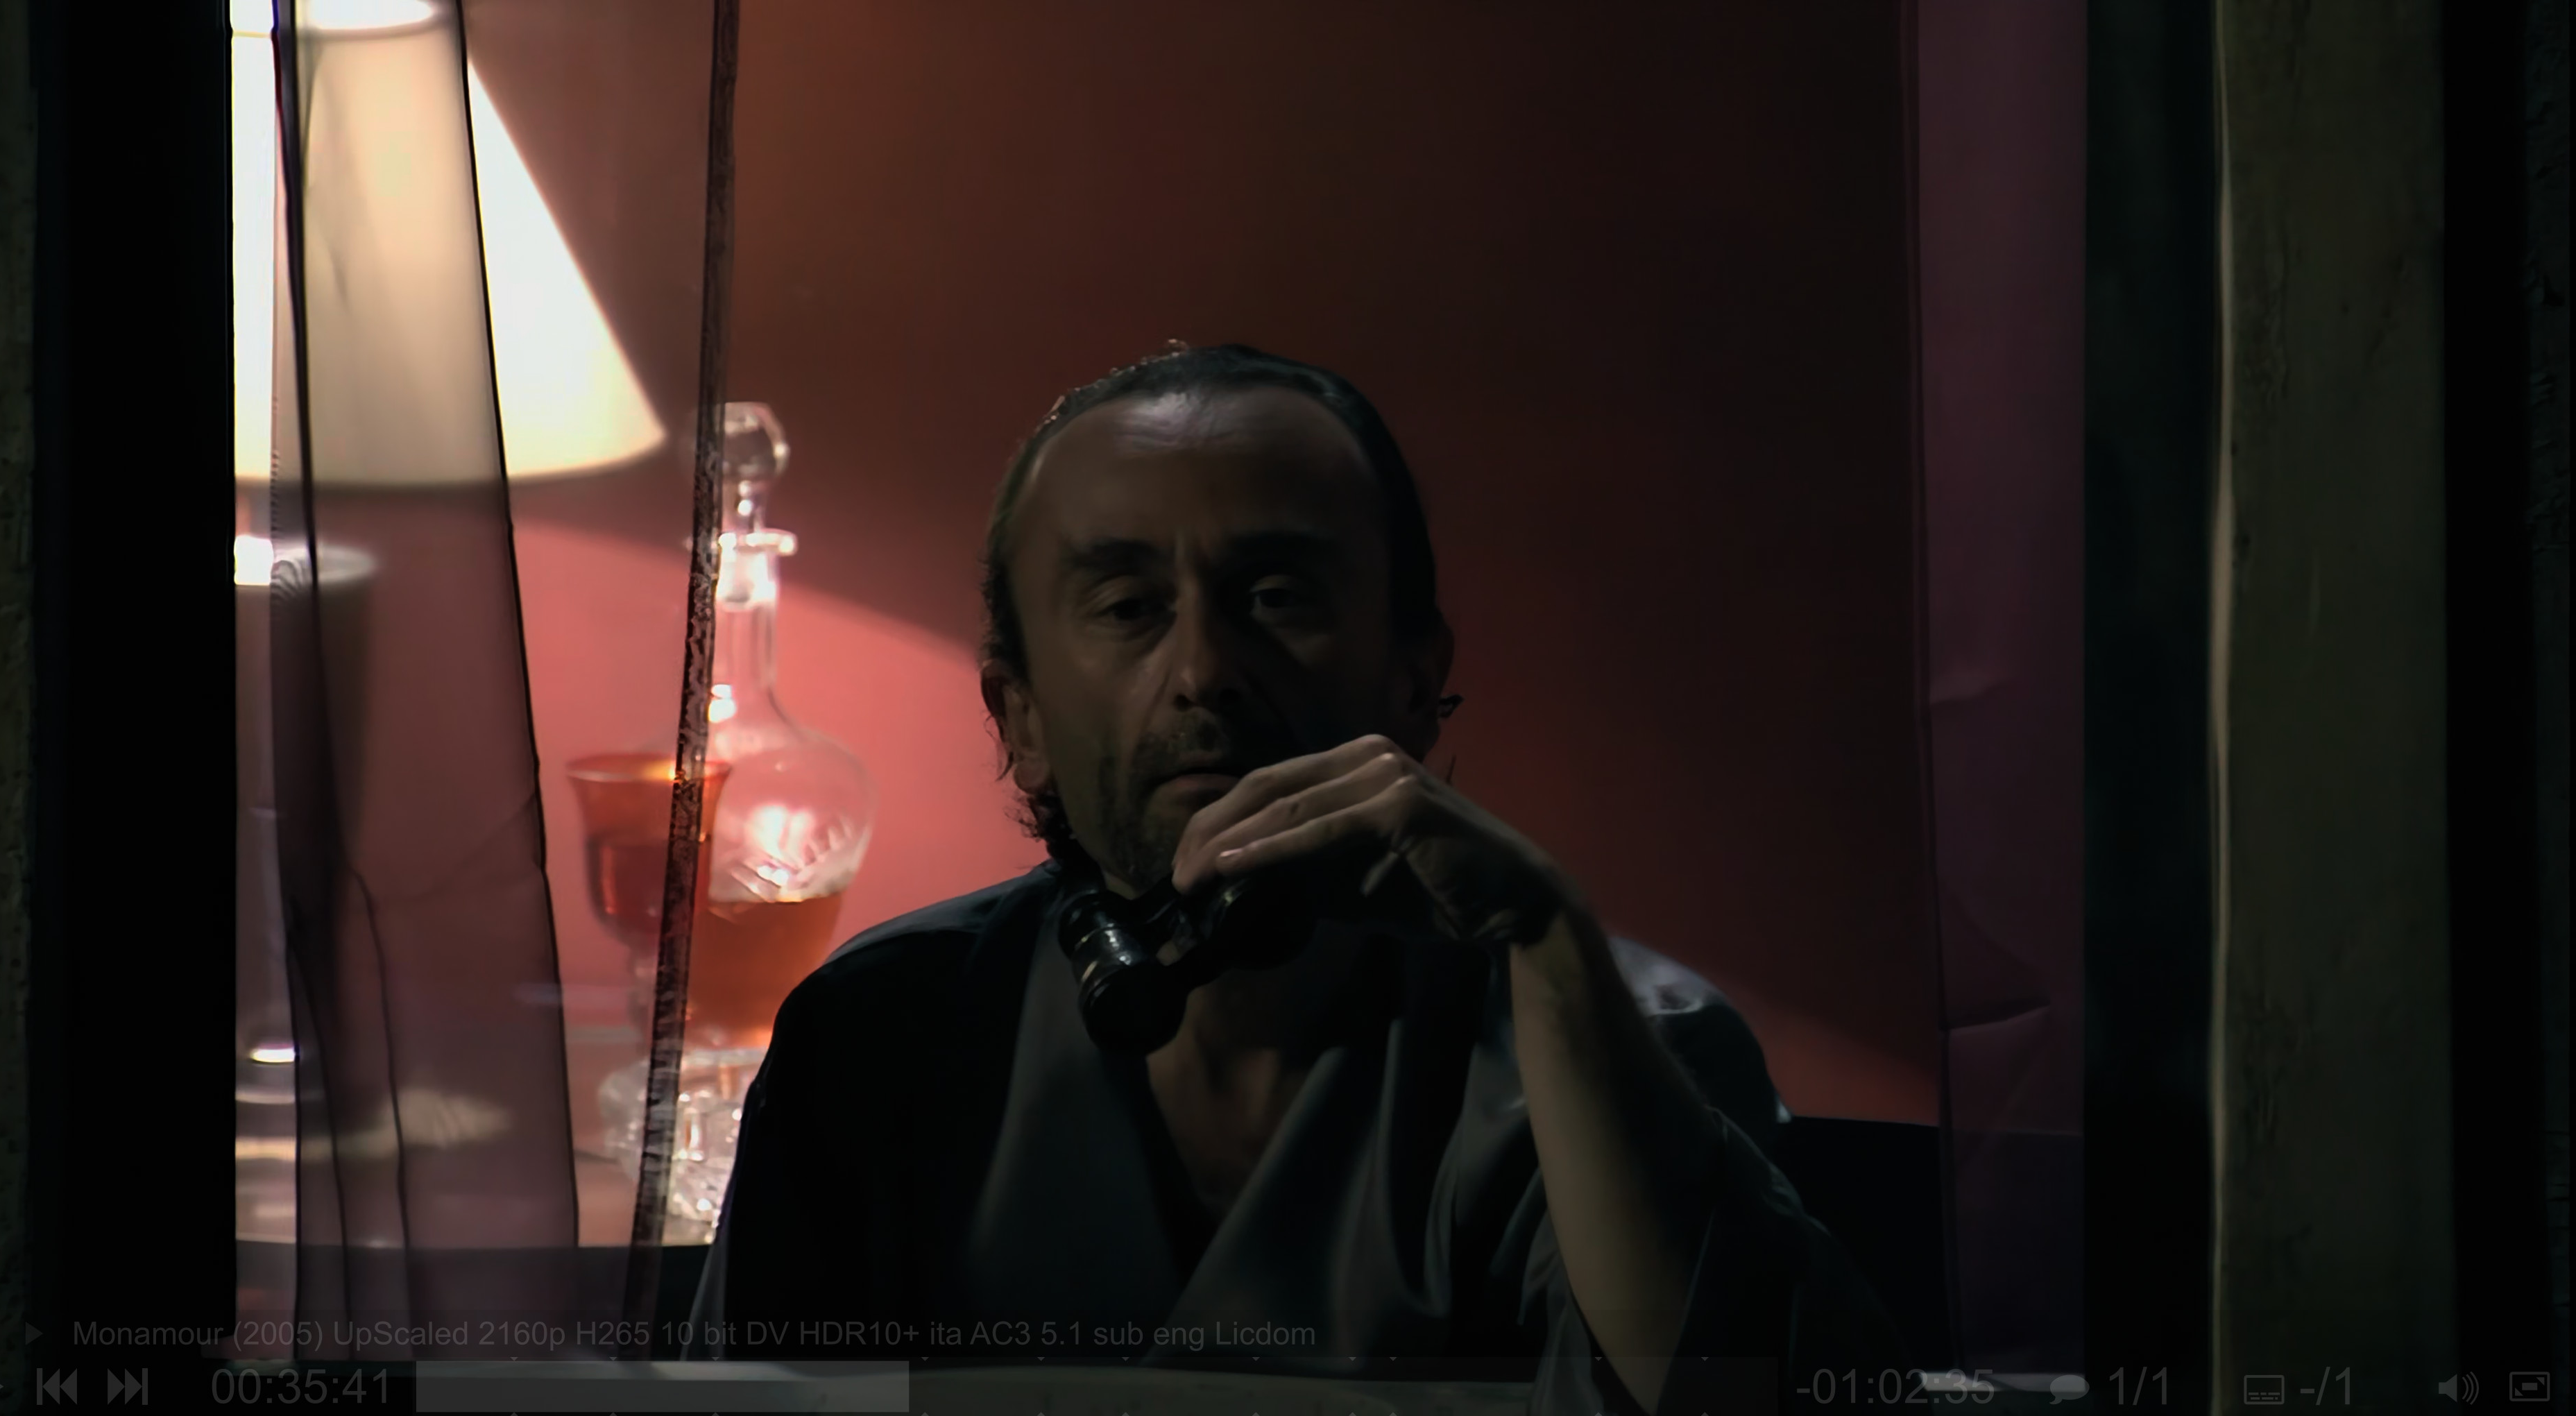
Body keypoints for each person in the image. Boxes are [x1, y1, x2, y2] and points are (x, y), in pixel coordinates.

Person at [689, 343, 1900, 1413]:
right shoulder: (882, 1036)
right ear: (1020, 714)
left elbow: (1739, 1395)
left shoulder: (1616, 1040)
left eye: (1275, 597)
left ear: (1412, 677)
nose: (1204, 670)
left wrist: (1545, 941)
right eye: (1127, 606)